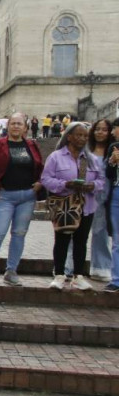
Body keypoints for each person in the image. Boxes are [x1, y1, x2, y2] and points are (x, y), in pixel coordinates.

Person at [0, 112, 45, 286]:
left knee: (19, 234)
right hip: (4, 195)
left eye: (20, 124)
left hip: (27, 196)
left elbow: (40, 166)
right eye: (13, 123)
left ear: (26, 127)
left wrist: (40, 183)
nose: (16, 126)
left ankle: (11, 271)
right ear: (8, 126)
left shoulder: (32, 145)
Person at [42, 122, 105, 290]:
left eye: (85, 136)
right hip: (65, 205)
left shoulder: (90, 159)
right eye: (79, 135)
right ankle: (59, 275)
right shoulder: (56, 157)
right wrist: (65, 184)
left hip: (86, 205)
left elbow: (101, 181)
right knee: (62, 239)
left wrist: (93, 186)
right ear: (69, 136)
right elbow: (46, 179)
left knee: (81, 241)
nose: (82, 138)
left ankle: (78, 276)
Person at [81, 118, 115, 281]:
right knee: (77, 230)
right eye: (97, 129)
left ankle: (100, 267)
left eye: (104, 129)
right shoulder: (86, 149)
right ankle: (71, 267)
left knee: (100, 231)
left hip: (105, 195)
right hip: (84, 194)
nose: (100, 132)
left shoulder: (113, 150)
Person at [104, 134, 119, 293]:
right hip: (116, 195)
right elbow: (109, 174)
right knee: (117, 240)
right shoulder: (114, 147)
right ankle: (116, 280)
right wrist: (112, 161)